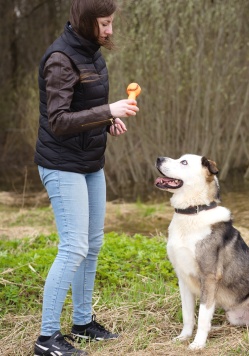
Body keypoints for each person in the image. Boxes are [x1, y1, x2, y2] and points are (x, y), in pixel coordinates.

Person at [33, 0, 139, 355]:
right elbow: (59, 121)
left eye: (111, 23)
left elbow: (84, 107)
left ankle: (81, 324)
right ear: (86, 20)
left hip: (90, 162)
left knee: (92, 245)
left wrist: (107, 121)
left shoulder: (92, 53)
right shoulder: (60, 59)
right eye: (105, 23)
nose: (110, 30)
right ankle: (47, 339)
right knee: (74, 247)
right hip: (61, 164)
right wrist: (108, 109)